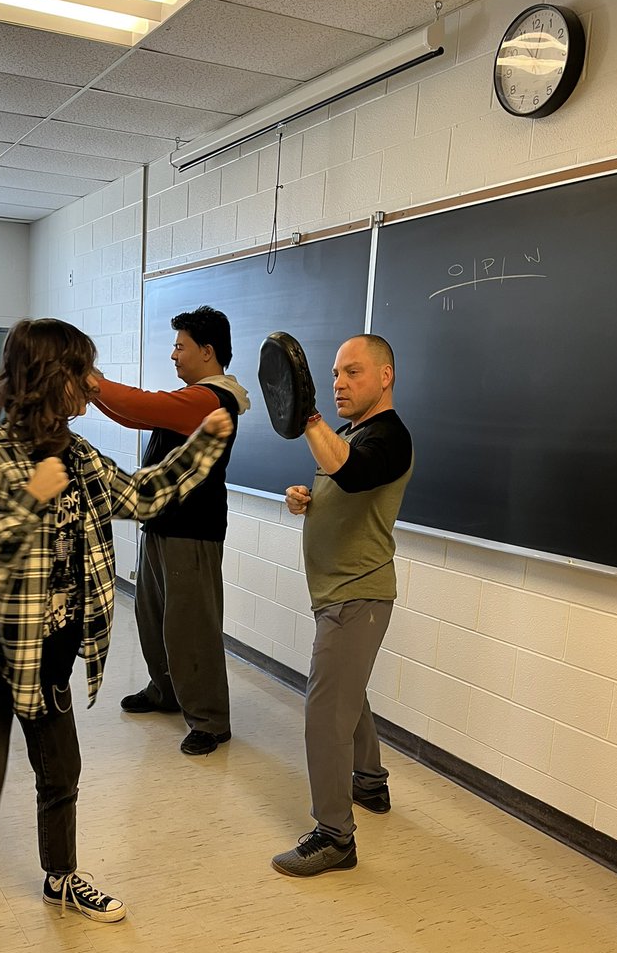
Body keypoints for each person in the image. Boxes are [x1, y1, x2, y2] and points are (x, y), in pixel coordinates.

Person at [0, 317, 234, 953]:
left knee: (63, 778)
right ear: (44, 379)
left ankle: (61, 878)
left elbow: (143, 495)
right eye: (78, 373)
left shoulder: (78, 459)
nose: (89, 387)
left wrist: (203, 445)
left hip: (48, 660)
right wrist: (31, 498)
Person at [271, 334, 413, 878]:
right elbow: (343, 489)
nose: (337, 383)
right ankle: (370, 784)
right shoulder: (351, 433)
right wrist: (304, 500)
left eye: (352, 372)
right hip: (338, 591)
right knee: (346, 694)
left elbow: (354, 474)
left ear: (385, 376)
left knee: (325, 709)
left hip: (360, 592)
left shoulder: (391, 437)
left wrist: (306, 418)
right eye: (333, 373)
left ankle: (334, 837)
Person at [91, 305, 249, 756]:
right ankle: (165, 692)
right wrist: (91, 386)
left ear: (207, 351)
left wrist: (91, 381)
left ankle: (210, 721)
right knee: (153, 617)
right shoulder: (192, 394)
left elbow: (141, 408)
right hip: (162, 524)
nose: (174, 354)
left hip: (192, 531)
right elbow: (132, 415)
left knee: (190, 627)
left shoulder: (214, 399)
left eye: (181, 346)